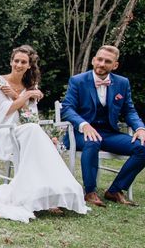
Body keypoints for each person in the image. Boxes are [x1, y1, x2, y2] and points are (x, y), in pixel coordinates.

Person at [0, 45, 89, 222]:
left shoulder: (30, 85)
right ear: (11, 61)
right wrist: (26, 96)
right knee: (35, 133)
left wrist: (19, 95)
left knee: (33, 131)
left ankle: (49, 194)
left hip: (25, 130)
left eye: (23, 62)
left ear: (29, 65)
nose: (19, 64)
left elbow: (31, 116)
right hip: (3, 131)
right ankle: (41, 195)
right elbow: (4, 112)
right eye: (16, 61)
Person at [61, 45, 145, 207]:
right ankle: (90, 192)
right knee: (93, 141)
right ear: (93, 60)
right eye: (99, 59)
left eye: (107, 61)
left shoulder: (122, 83)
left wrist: (140, 128)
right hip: (80, 134)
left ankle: (115, 190)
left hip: (108, 133)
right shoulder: (78, 81)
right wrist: (84, 125)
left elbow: (129, 111)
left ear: (115, 65)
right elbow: (67, 109)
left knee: (142, 147)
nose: (102, 64)